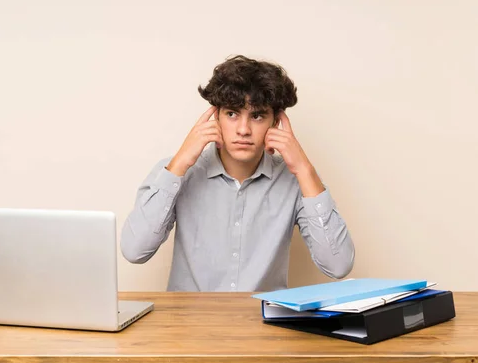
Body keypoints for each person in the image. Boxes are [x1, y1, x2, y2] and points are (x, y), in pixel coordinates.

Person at [121, 55, 355, 292]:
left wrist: (304, 169)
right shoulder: (176, 171)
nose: (243, 130)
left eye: (257, 116)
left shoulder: (298, 180)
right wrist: (180, 163)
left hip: (264, 324)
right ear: (216, 117)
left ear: (275, 123)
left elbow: (338, 266)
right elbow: (134, 251)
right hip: (189, 324)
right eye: (232, 114)